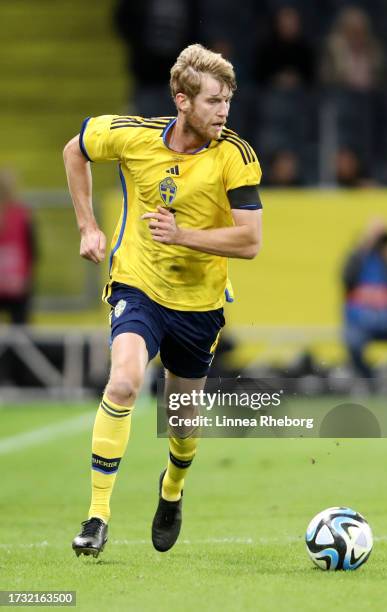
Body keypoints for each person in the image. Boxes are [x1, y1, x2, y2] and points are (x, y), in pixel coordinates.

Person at [63, 44, 262, 557]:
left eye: (228, 101)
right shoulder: (132, 136)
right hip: (139, 286)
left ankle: (171, 490)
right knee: (125, 381)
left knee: (182, 424)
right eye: (214, 101)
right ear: (182, 101)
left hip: (199, 303)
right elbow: (74, 150)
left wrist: (182, 235)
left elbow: (250, 242)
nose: (224, 111)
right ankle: (97, 516)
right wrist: (87, 225)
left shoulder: (235, 156)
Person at [342, 219, 387, 379]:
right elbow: (347, 280)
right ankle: (367, 379)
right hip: (362, 322)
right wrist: (363, 248)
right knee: (353, 342)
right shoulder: (356, 259)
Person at [0, 168, 37, 324]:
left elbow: (32, 248)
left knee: (20, 333)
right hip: (18, 281)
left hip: (18, 283)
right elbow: (33, 250)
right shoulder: (23, 214)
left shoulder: (22, 214)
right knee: (20, 332)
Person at [320, 6, 386, 91]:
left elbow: (382, 78)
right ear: (343, 30)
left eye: (361, 31)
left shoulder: (375, 49)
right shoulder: (333, 48)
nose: (357, 36)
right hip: (341, 94)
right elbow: (326, 78)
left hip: (370, 95)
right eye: (352, 31)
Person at [254, 6, 315, 89]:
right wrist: (277, 79)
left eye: (291, 23)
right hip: (271, 93)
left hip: (301, 93)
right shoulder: (266, 48)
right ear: (277, 24)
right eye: (285, 23)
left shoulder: (306, 49)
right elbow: (259, 77)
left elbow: (311, 78)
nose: (288, 27)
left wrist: (296, 79)